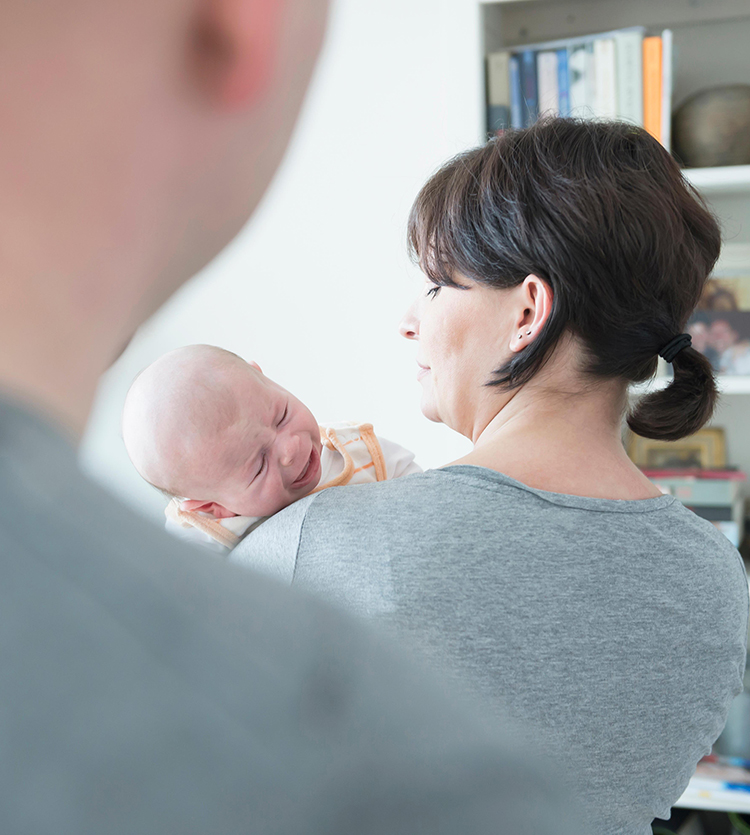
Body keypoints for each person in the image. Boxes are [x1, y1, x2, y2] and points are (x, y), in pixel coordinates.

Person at [0, 3, 587, 834]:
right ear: (243, 22)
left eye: (278, 413)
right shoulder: (410, 773)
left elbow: (418, 489)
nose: (295, 447)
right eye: (251, 467)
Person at [233, 119, 750, 834]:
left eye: (440, 284)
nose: (409, 319)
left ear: (528, 312)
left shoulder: (317, 541)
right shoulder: (715, 578)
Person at [122, 344, 420, 552]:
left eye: (282, 416)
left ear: (266, 378)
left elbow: (429, 495)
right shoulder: (206, 535)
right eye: (259, 465)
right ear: (213, 507)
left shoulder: (360, 452)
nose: (290, 449)